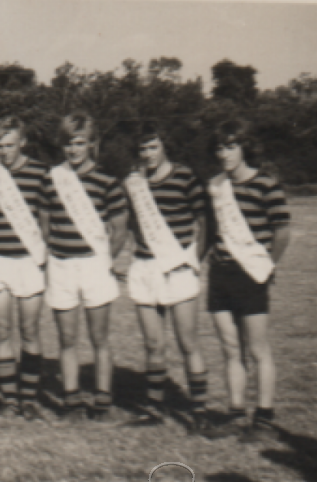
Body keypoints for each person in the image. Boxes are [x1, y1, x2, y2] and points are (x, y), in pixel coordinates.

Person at [202, 119, 291, 442]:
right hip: (220, 273)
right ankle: (236, 413)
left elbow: (282, 231)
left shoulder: (266, 184)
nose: (224, 154)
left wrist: (267, 266)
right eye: (219, 148)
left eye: (231, 146)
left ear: (244, 147)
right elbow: (211, 232)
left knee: (257, 349)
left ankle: (264, 418)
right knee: (229, 347)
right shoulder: (215, 187)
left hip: (251, 273)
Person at [40, 111, 128, 420]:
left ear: (91, 144)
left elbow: (119, 228)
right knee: (67, 339)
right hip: (62, 266)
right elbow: (45, 224)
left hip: (94, 267)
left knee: (99, 338)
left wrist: (105, 260)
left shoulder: (107, 181)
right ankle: (72, 399)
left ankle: (102, 400)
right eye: (68, 144)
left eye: (80, 143)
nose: (74, 150)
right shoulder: (52, 180)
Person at [123, 122, 209, 428]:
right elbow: (131, 222)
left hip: (178, 267)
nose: (147, 154)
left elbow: (204, 220)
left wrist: (193, 260)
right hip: (146, 267)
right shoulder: (134, 182)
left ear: (165, 147)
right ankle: (154, 408)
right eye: (143, 149)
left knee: (188, 342)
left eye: (153, 147)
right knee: (153, 344)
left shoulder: (185, 176)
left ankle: (199, 411)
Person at [0, 115, 49, 419]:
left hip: (28, 261)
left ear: (23, 142)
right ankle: (9, 398)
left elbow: (44, 222)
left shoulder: (41, 174)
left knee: (30, 329)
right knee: (2, 329)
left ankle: (29, 398)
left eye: (9, 145)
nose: (4, 151)